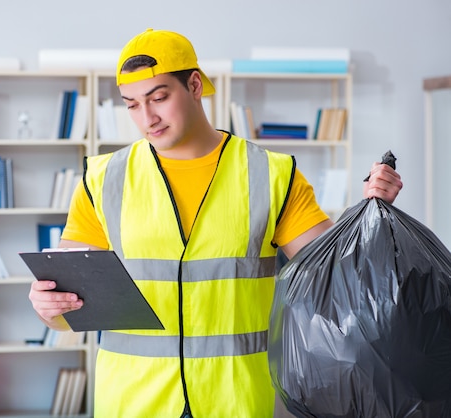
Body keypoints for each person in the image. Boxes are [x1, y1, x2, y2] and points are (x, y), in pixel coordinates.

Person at [29, 28, 403, 418]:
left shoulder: (272, 174)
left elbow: (336, 275)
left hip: (234, 400)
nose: (147, 118)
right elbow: (64, 303)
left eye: (158, 98)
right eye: (132, 105)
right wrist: (46, 305)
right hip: (131, 402)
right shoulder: (103, 178)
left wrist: (371, 211)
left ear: (194, 85)